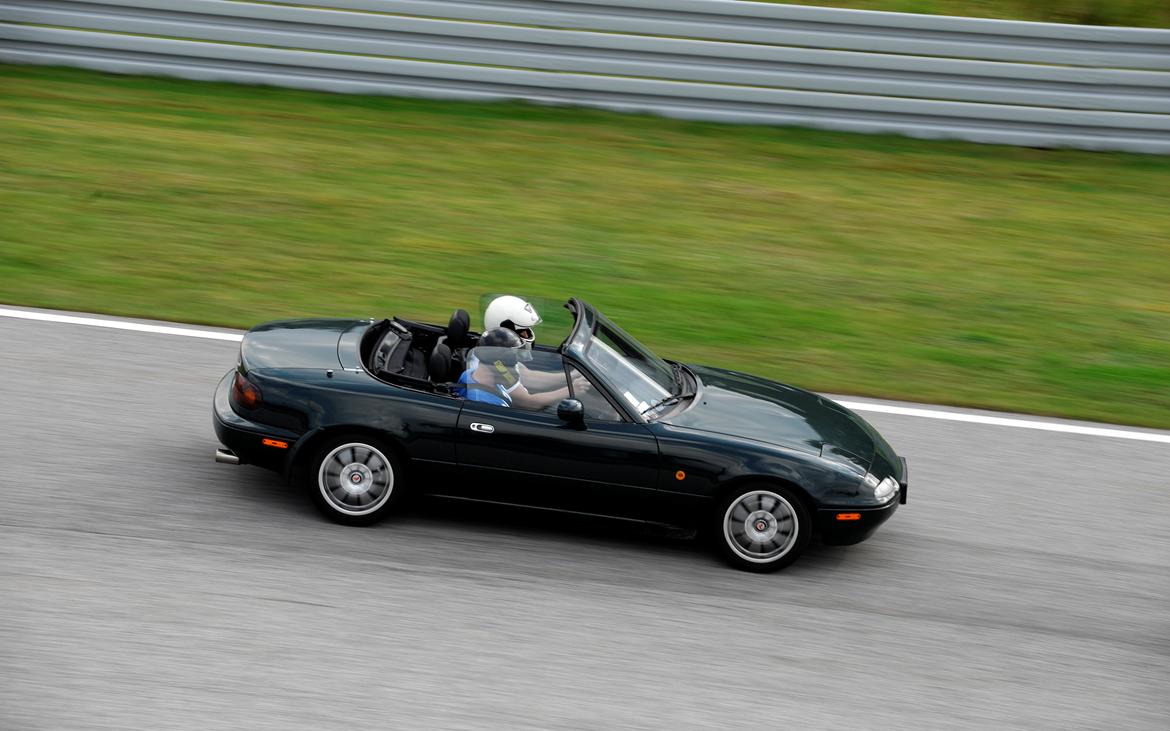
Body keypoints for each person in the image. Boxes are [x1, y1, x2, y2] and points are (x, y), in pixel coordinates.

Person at [456, 327, 577, 411]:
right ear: (498, 363)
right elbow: (528, 403)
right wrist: (573, 389)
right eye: (512, 360)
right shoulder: (485, 403)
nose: (515, 366)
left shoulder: (471, 374)